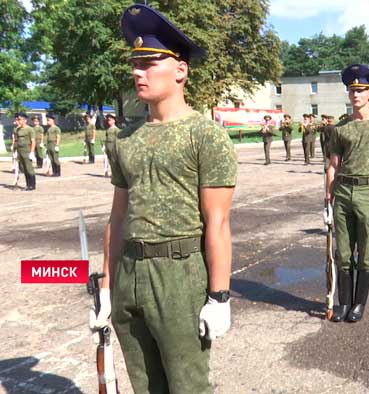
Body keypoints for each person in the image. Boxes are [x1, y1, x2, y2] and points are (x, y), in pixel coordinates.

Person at [88, 5, 238, 393]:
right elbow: (117, 217)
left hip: (179, 276)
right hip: (129, 274)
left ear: (180, 70)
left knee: (187, 386)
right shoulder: (124, 138)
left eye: (150, 62)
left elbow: (218, 222)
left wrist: (219, 295)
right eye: (136, 63)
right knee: (145, 386)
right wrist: (107, 284)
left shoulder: (205, 136)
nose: (139, 71)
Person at [325, 64, 369, 322]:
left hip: (368, 191)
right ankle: (344, 303)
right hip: (343, 192)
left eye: (361, 90)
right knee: (343, 253)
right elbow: (333, 166)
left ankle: (359, 304)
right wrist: (327, 201)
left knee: (365, 253)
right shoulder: (341, 128)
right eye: (352, 90)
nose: (355, 94)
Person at [12, 112, 36, 190]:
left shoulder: (30, 129)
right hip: (20, 150)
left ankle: (32, 185)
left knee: (29, 168)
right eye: (18, 120)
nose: (19, 121)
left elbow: (33, 141)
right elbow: (16, 140)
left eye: (20, 119)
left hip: (27, 150)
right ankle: (28, 184)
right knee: (24, 168)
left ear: (25, 120)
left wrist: (31, 152)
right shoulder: (17, 129)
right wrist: (15, 151)